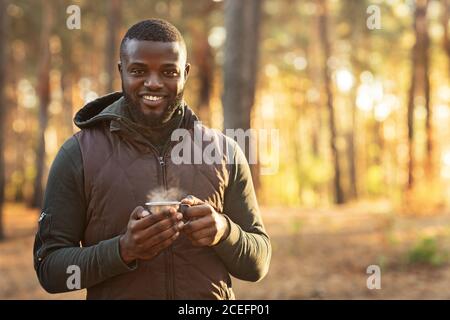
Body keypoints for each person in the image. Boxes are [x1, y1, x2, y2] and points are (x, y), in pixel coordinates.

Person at [33, 18, 271, 300]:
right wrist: (123, 250)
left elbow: (258, 264)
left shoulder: (224, 151)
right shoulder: (78, 154)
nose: (154, 83)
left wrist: (224, 231)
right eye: (138, 71)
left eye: (169, 71)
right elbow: (50, 269)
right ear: (122, 71)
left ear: (185, 72)